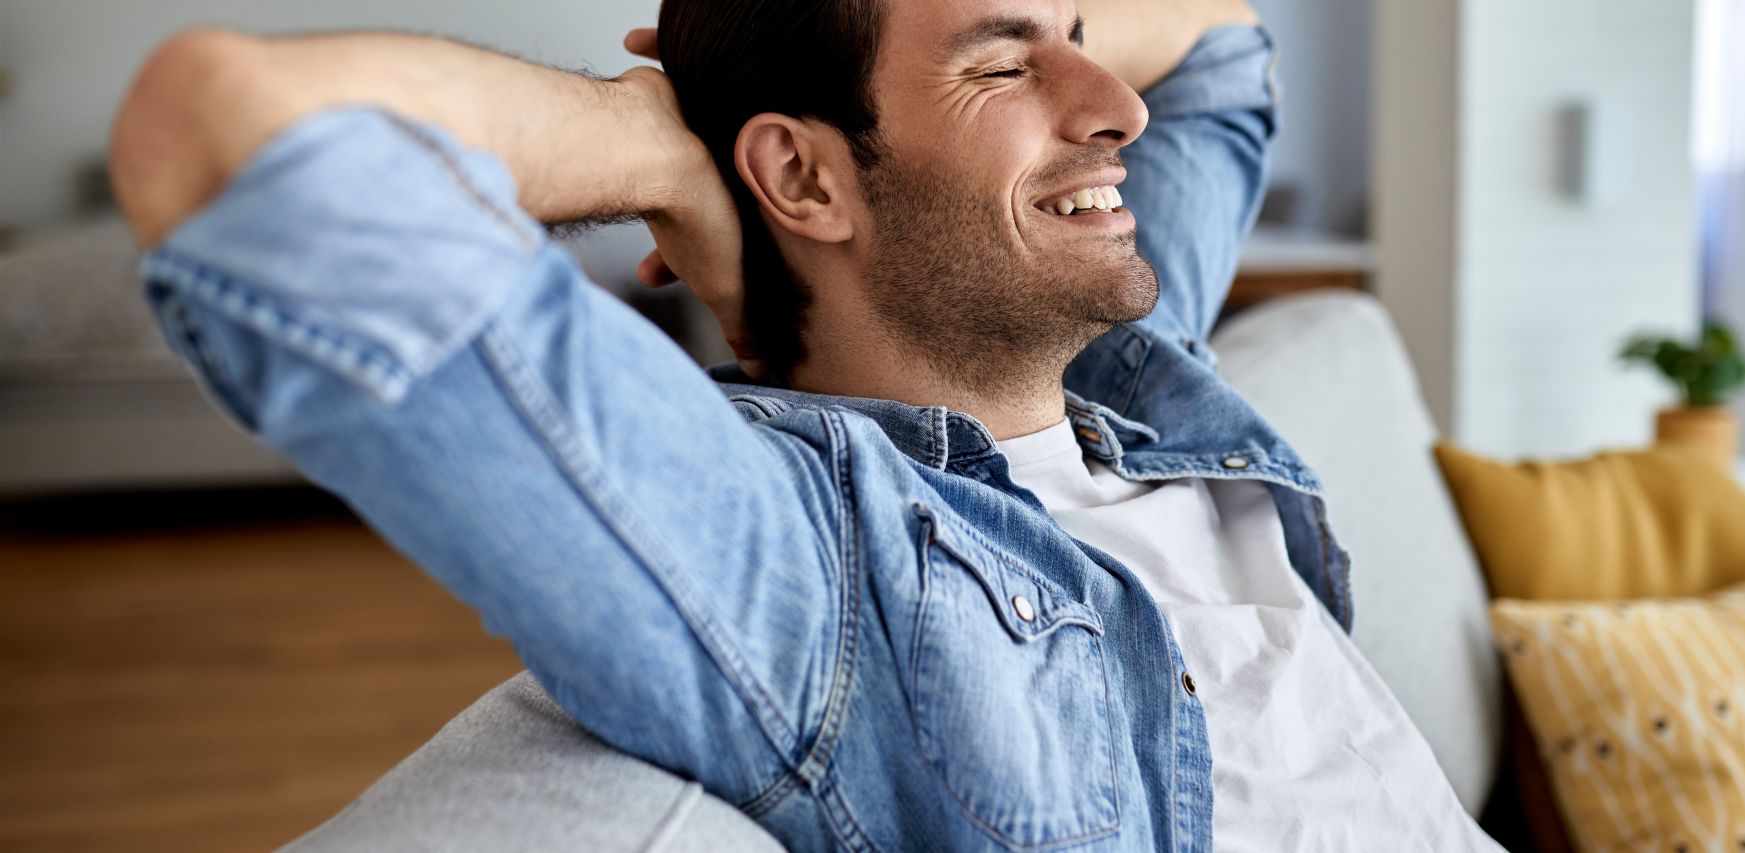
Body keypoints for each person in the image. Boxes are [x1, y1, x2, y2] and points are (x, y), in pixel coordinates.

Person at [110, 0, 1499, 849]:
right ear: (801, 169)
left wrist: (1004, 54)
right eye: (1007, 68)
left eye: (1078, 34)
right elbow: (221, 132)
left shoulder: (1126, 373)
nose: (1117, 108)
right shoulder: (816, 568)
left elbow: (1217, 43)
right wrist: (656, 139)